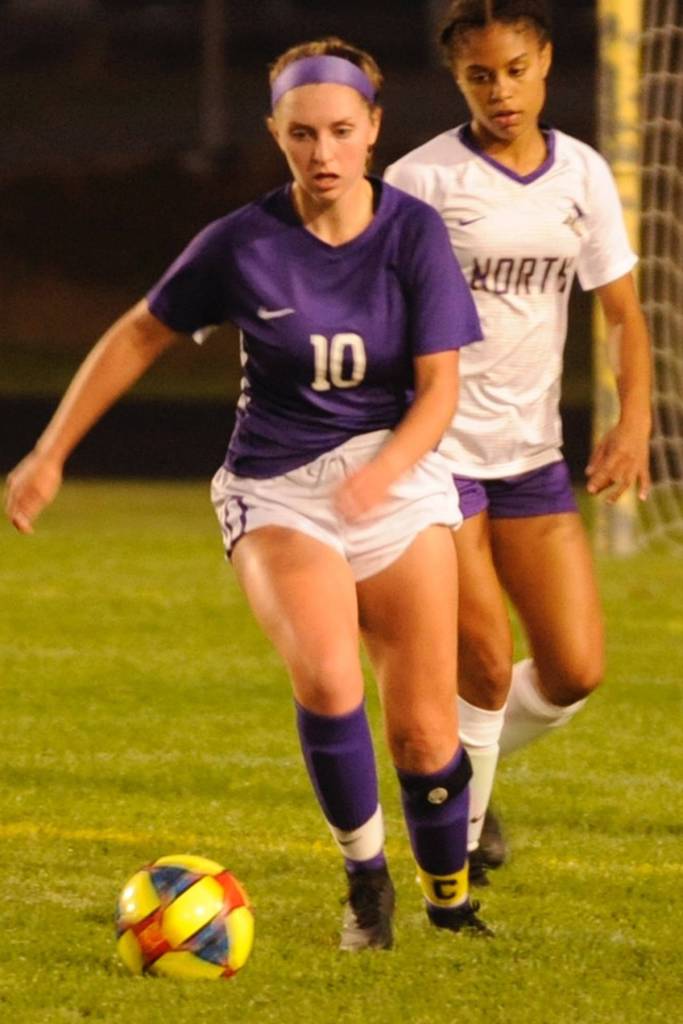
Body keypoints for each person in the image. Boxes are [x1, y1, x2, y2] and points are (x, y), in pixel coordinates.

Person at [5, 38, 492, 946]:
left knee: (427, 737)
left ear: (373, 131)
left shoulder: (412, 234)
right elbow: (138, 335)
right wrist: (49, 451)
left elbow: (440, 391)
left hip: (398, 476)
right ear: (275, 133)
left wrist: (385, 472)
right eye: (301, 133)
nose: (322, 153)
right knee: (327, 674)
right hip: (280, 491)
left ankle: (448, 899)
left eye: (341, 131)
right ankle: (365, 884)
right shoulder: (240, 242)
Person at [385, 0, 652, 880]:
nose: (500, 91)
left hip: (530, 457)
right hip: (436, 458)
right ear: (458, 80)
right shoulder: (419, 182)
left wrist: (634, 419)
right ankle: (450, 873)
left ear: (543, 64)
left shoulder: (579, 173)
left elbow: (620, 314)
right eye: (479, 76)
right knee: (487, 664)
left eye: (514, 70)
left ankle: (456, 770)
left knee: (574, 669)